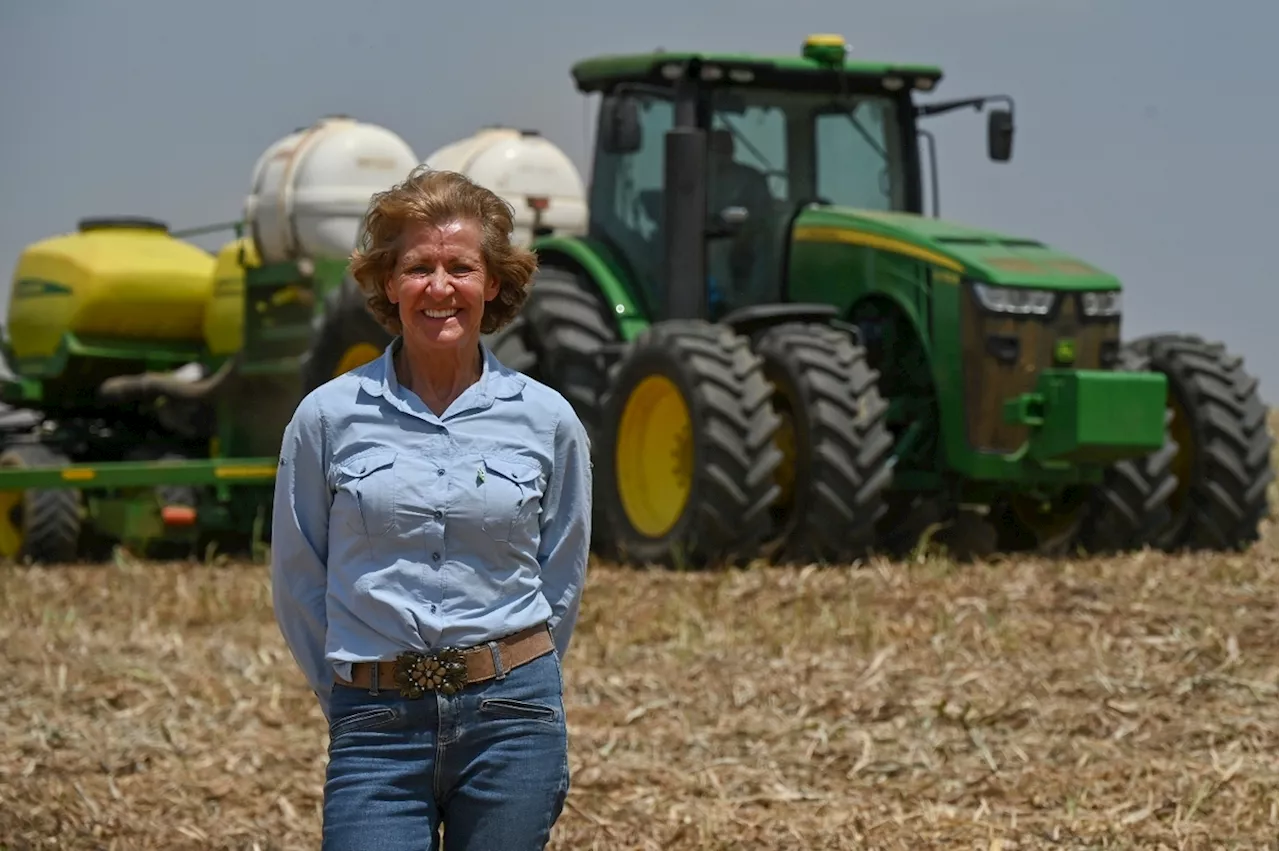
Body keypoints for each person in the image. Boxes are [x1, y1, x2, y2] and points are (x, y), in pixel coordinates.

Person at [269, 165, 593, 850]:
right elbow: (299, 579)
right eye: (418, 267)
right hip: (377, 728)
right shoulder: (326, 417)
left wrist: (513, 674)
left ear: (493, 282)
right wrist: (357, 693)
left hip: (512, 719)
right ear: (388, 282)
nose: (440, 287)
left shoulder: (548, 419)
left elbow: (561, 573)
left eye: (460, 267)